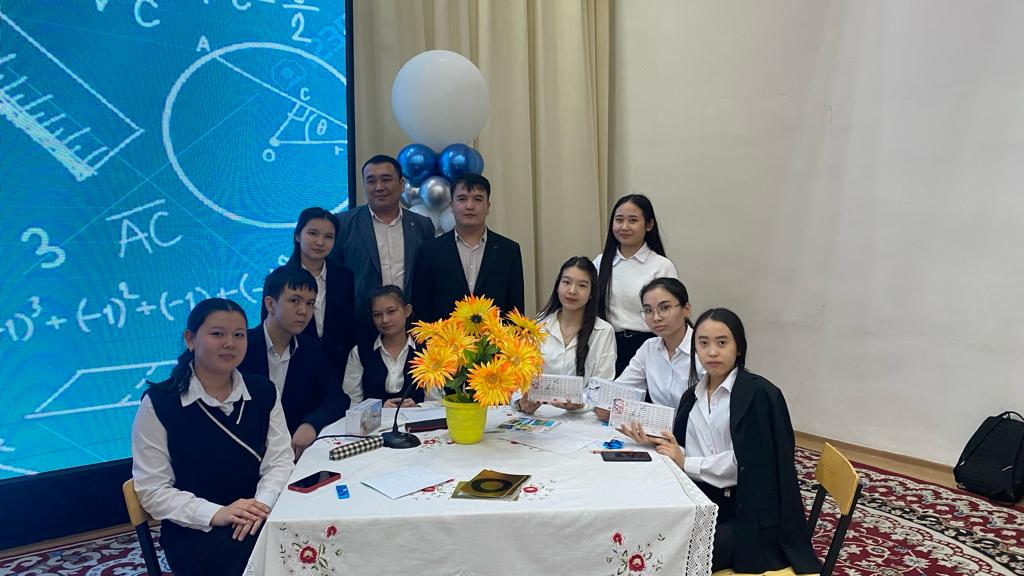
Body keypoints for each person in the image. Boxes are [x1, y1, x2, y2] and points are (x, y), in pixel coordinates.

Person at [617, 308, 820, 574]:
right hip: (703, 500)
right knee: (641, 534)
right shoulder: (693, 396)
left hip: (746, 515)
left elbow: (746, 465)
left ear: (739, 348)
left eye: (722, 343)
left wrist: (685, 462)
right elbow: (688, 450)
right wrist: (658, 442)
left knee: (668, 557)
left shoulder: (758, 395)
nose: (712, 352)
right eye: (703, 343)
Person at [131, 298, 294, 576]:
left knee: (310, 544)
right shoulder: (160, 402)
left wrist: (260, 506)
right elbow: (153, 490)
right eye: (217, 334)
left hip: (259, 517)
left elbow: (280, 461)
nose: (230, 343)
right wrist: (217, 513)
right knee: (277, 558)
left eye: (239, 335)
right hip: (197, 532)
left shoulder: (264, 392)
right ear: (190, 339)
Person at [237, 265, 351, 461]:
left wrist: (311, 424)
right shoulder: (241, 346)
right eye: (294, 301)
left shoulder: (311, 350)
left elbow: (337, 400)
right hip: (245, 453)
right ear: (270, 304)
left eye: (310, 303)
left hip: (294, 455)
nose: (303, 311)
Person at [331, 155, 436, 344]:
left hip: (411, 330)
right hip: (358, 329)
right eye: (371, 181)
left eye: (386, 179)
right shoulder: (343, 224)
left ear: (401, 184)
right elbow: (334, 278)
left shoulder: (422, 225)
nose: (379, 187)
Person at [412, 173, 525, 323]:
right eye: (462, 199)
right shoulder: (429, 251)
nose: (469, 206)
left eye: (478, 199)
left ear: (488, 206)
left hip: (495, 337)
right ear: (451, 206)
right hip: (444, 336)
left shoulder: (509, 251)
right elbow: (422, 310)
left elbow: (515, 311)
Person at [515, 256, 615, 414]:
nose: (572, 291)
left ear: (591, 293)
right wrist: (521, 403)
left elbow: (603, 388)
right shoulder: (537, 326)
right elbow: (517, 379)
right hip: (539, 416)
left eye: (582, 285)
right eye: (566, 282)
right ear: (558, 286)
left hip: (583, 419)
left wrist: (580, 404)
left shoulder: (603, 331)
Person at [593, 194, 678, 376]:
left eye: (632, 220)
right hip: (607, 347)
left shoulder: (661, 266)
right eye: (619, 220)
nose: (624, 227)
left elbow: (671, 314)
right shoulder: (600, 262)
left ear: (649, 225)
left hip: (648, 345)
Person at [595, 277, 699, 421]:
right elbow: (620, 389)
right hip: (658, 430)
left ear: (686, 309)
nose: (656, 318)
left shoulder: (703, 348)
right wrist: (607, 405)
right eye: (648, 310)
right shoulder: (649, 348)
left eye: (665, 308)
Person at [287, 207, 356, 378]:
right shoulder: (281, 279)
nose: (320, 242)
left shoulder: (345, 276)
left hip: (338, 366)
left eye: (328, 237)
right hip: (294, 364)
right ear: (298, 235)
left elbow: (349, 325)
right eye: (313, 233)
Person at [342, 285, 425, 407]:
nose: (385, 320)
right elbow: (351, 403)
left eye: (391, 312)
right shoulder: (360, 352)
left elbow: (437, 402)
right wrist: (378, 410)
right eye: (377, 315)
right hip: (373, 420)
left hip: (416, 418)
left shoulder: (426, 351)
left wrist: (417, 407)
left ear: (407, 310)